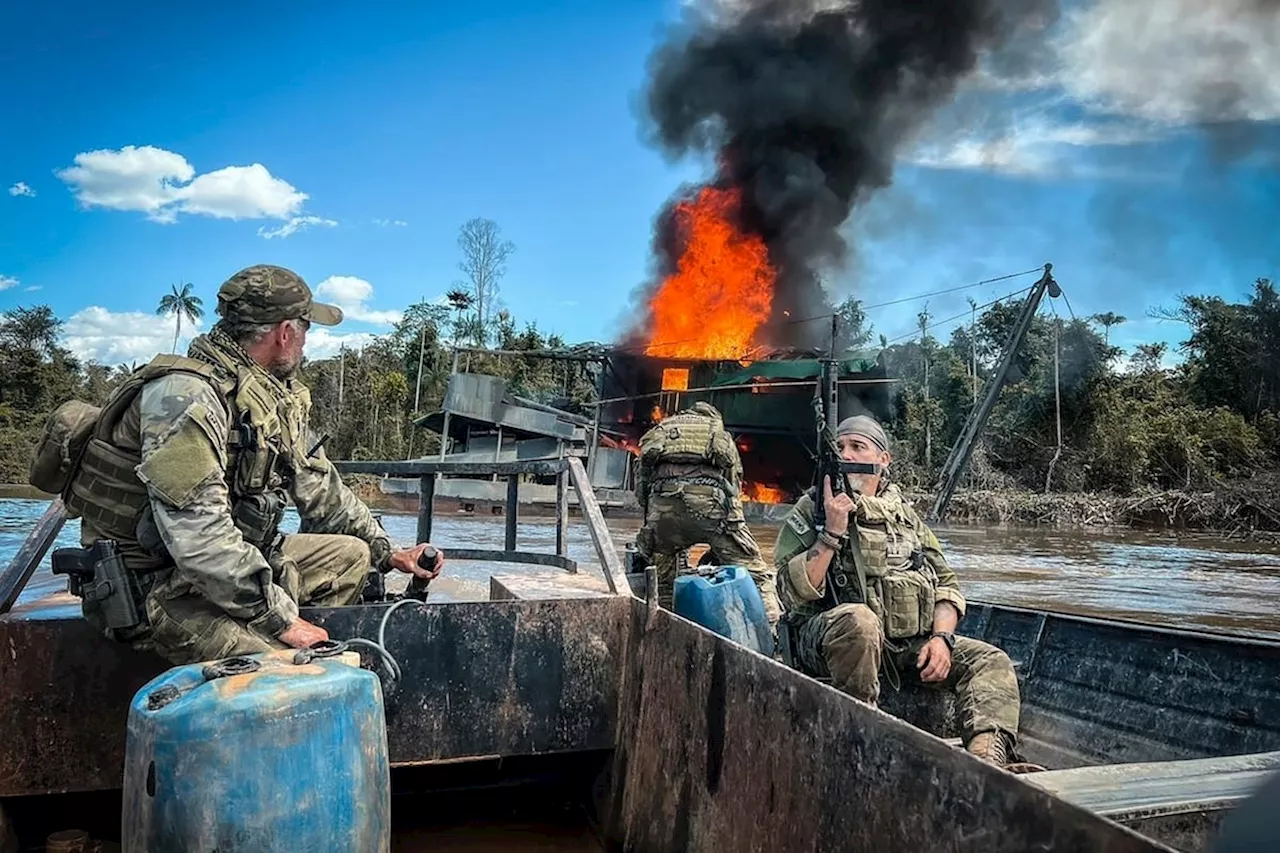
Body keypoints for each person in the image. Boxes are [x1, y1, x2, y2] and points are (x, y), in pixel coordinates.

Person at [61, 264, 444, 665]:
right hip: (154, 590)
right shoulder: (186, 398)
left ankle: (296, 642)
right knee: (298, 673)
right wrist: (280, 622)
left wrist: (390, 552)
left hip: (219, 572)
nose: (304, 343)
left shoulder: (267, 395)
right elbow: (200, 539)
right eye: (305, 330)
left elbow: (322, 491)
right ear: (285, 332)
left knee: (349, 556)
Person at [773, 414, 1036, 772]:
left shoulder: (906, 518)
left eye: (858, 446)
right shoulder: (813, 508)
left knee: (989, 660)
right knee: (859, 620)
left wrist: (942, 638)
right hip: (825, 643)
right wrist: (831, 534)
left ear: (883, 459)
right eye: (841, 448)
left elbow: (947, 584)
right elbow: (789, 593)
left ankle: (987, 761)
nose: (847, 455)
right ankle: (860, 740)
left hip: (898, 647)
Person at [632, 401, 780, 628]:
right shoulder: (718, 433)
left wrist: (652, 519)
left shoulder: (662, 430)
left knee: (663, 581)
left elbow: (642, 480)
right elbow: (733, 484)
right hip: (710, 511)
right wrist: (734, 529)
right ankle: (773, 625)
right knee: (754, 569)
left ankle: (663, 627)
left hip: (663, 513)